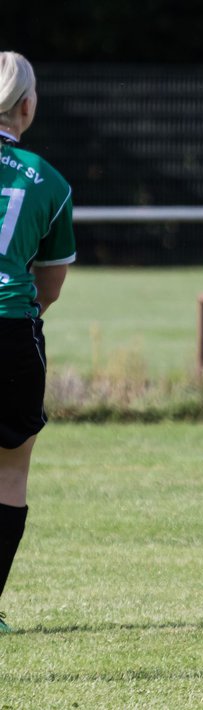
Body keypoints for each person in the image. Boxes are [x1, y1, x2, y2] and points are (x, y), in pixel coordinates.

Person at [0, 53, 76, 634]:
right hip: (11, 332)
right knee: (10, 473)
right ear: (27, 106)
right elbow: (49, 283)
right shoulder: (48, 180)